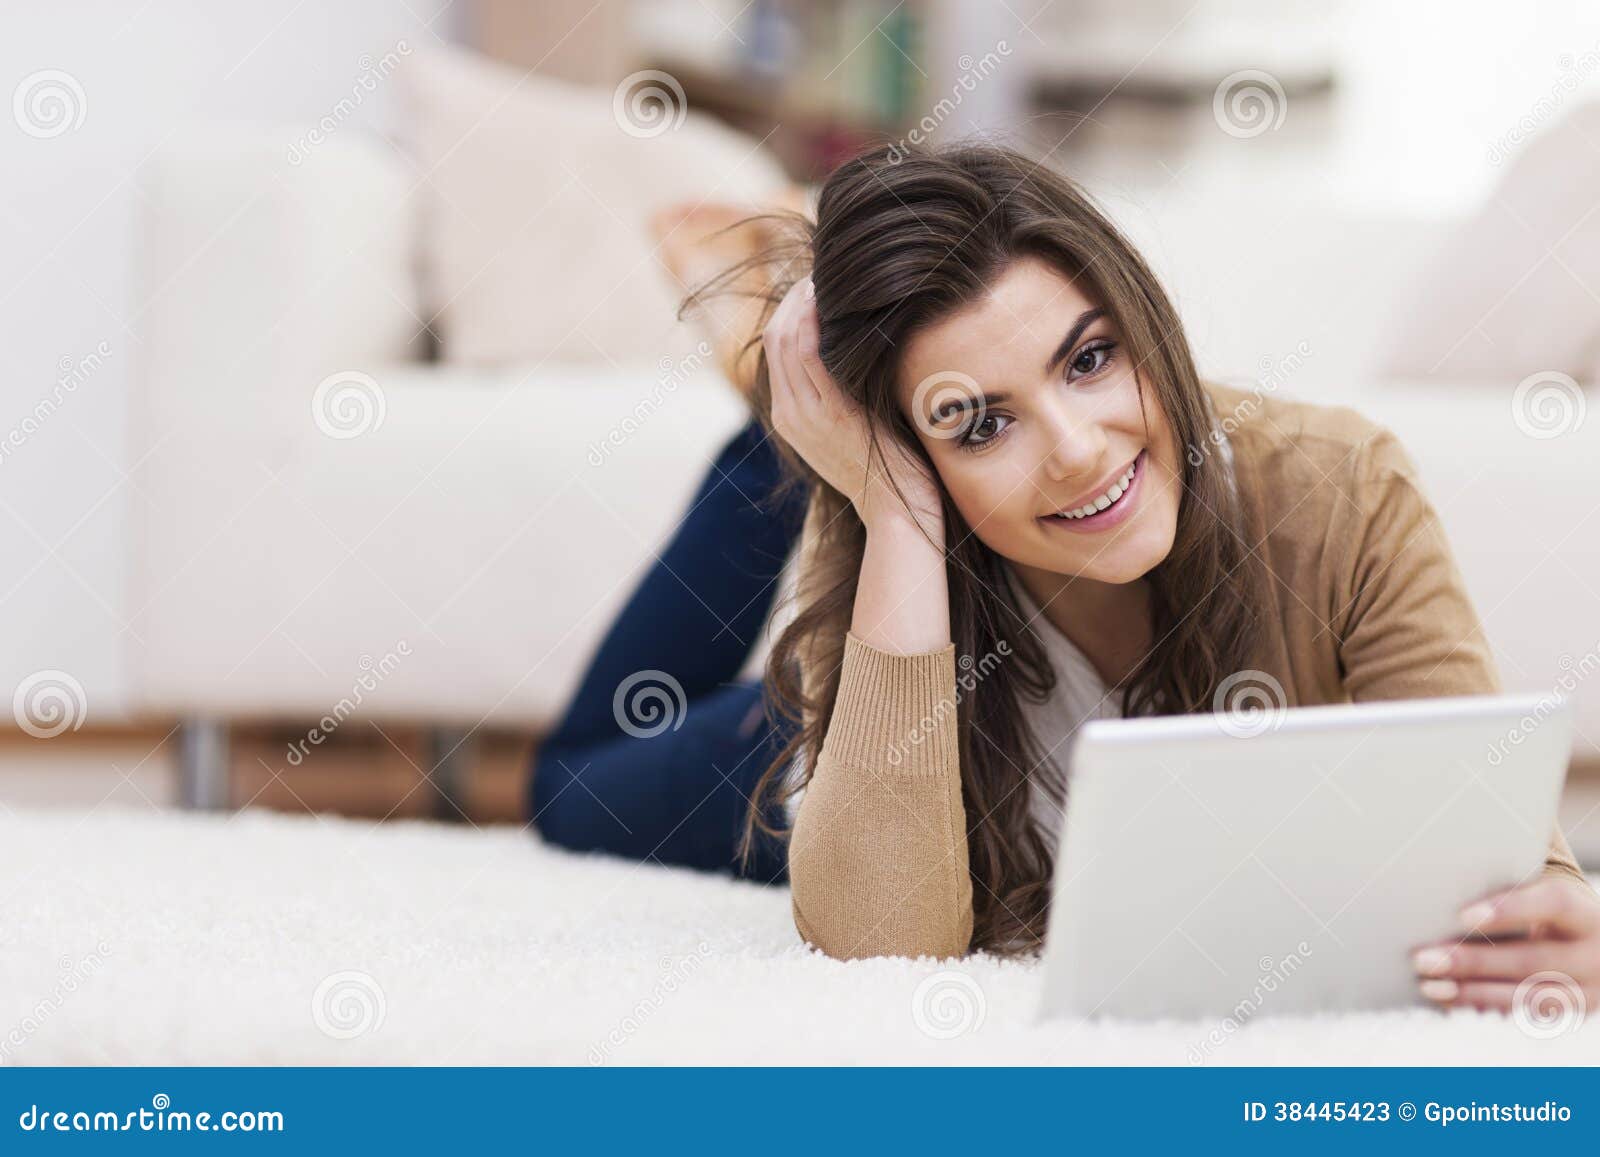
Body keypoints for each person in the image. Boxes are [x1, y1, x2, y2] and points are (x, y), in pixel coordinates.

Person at [530, 141, 1600, 1014]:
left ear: (1140, 317)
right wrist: (886, 502)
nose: (1081, 450)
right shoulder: (883, 526)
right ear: (907, 457)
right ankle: (781, 419)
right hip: (868, 737)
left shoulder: (1340, 487)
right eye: (978, 420)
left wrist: (1561, 928)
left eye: (1089, 359)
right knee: (571, 790)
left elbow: (1504, 871)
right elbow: (879, 952)